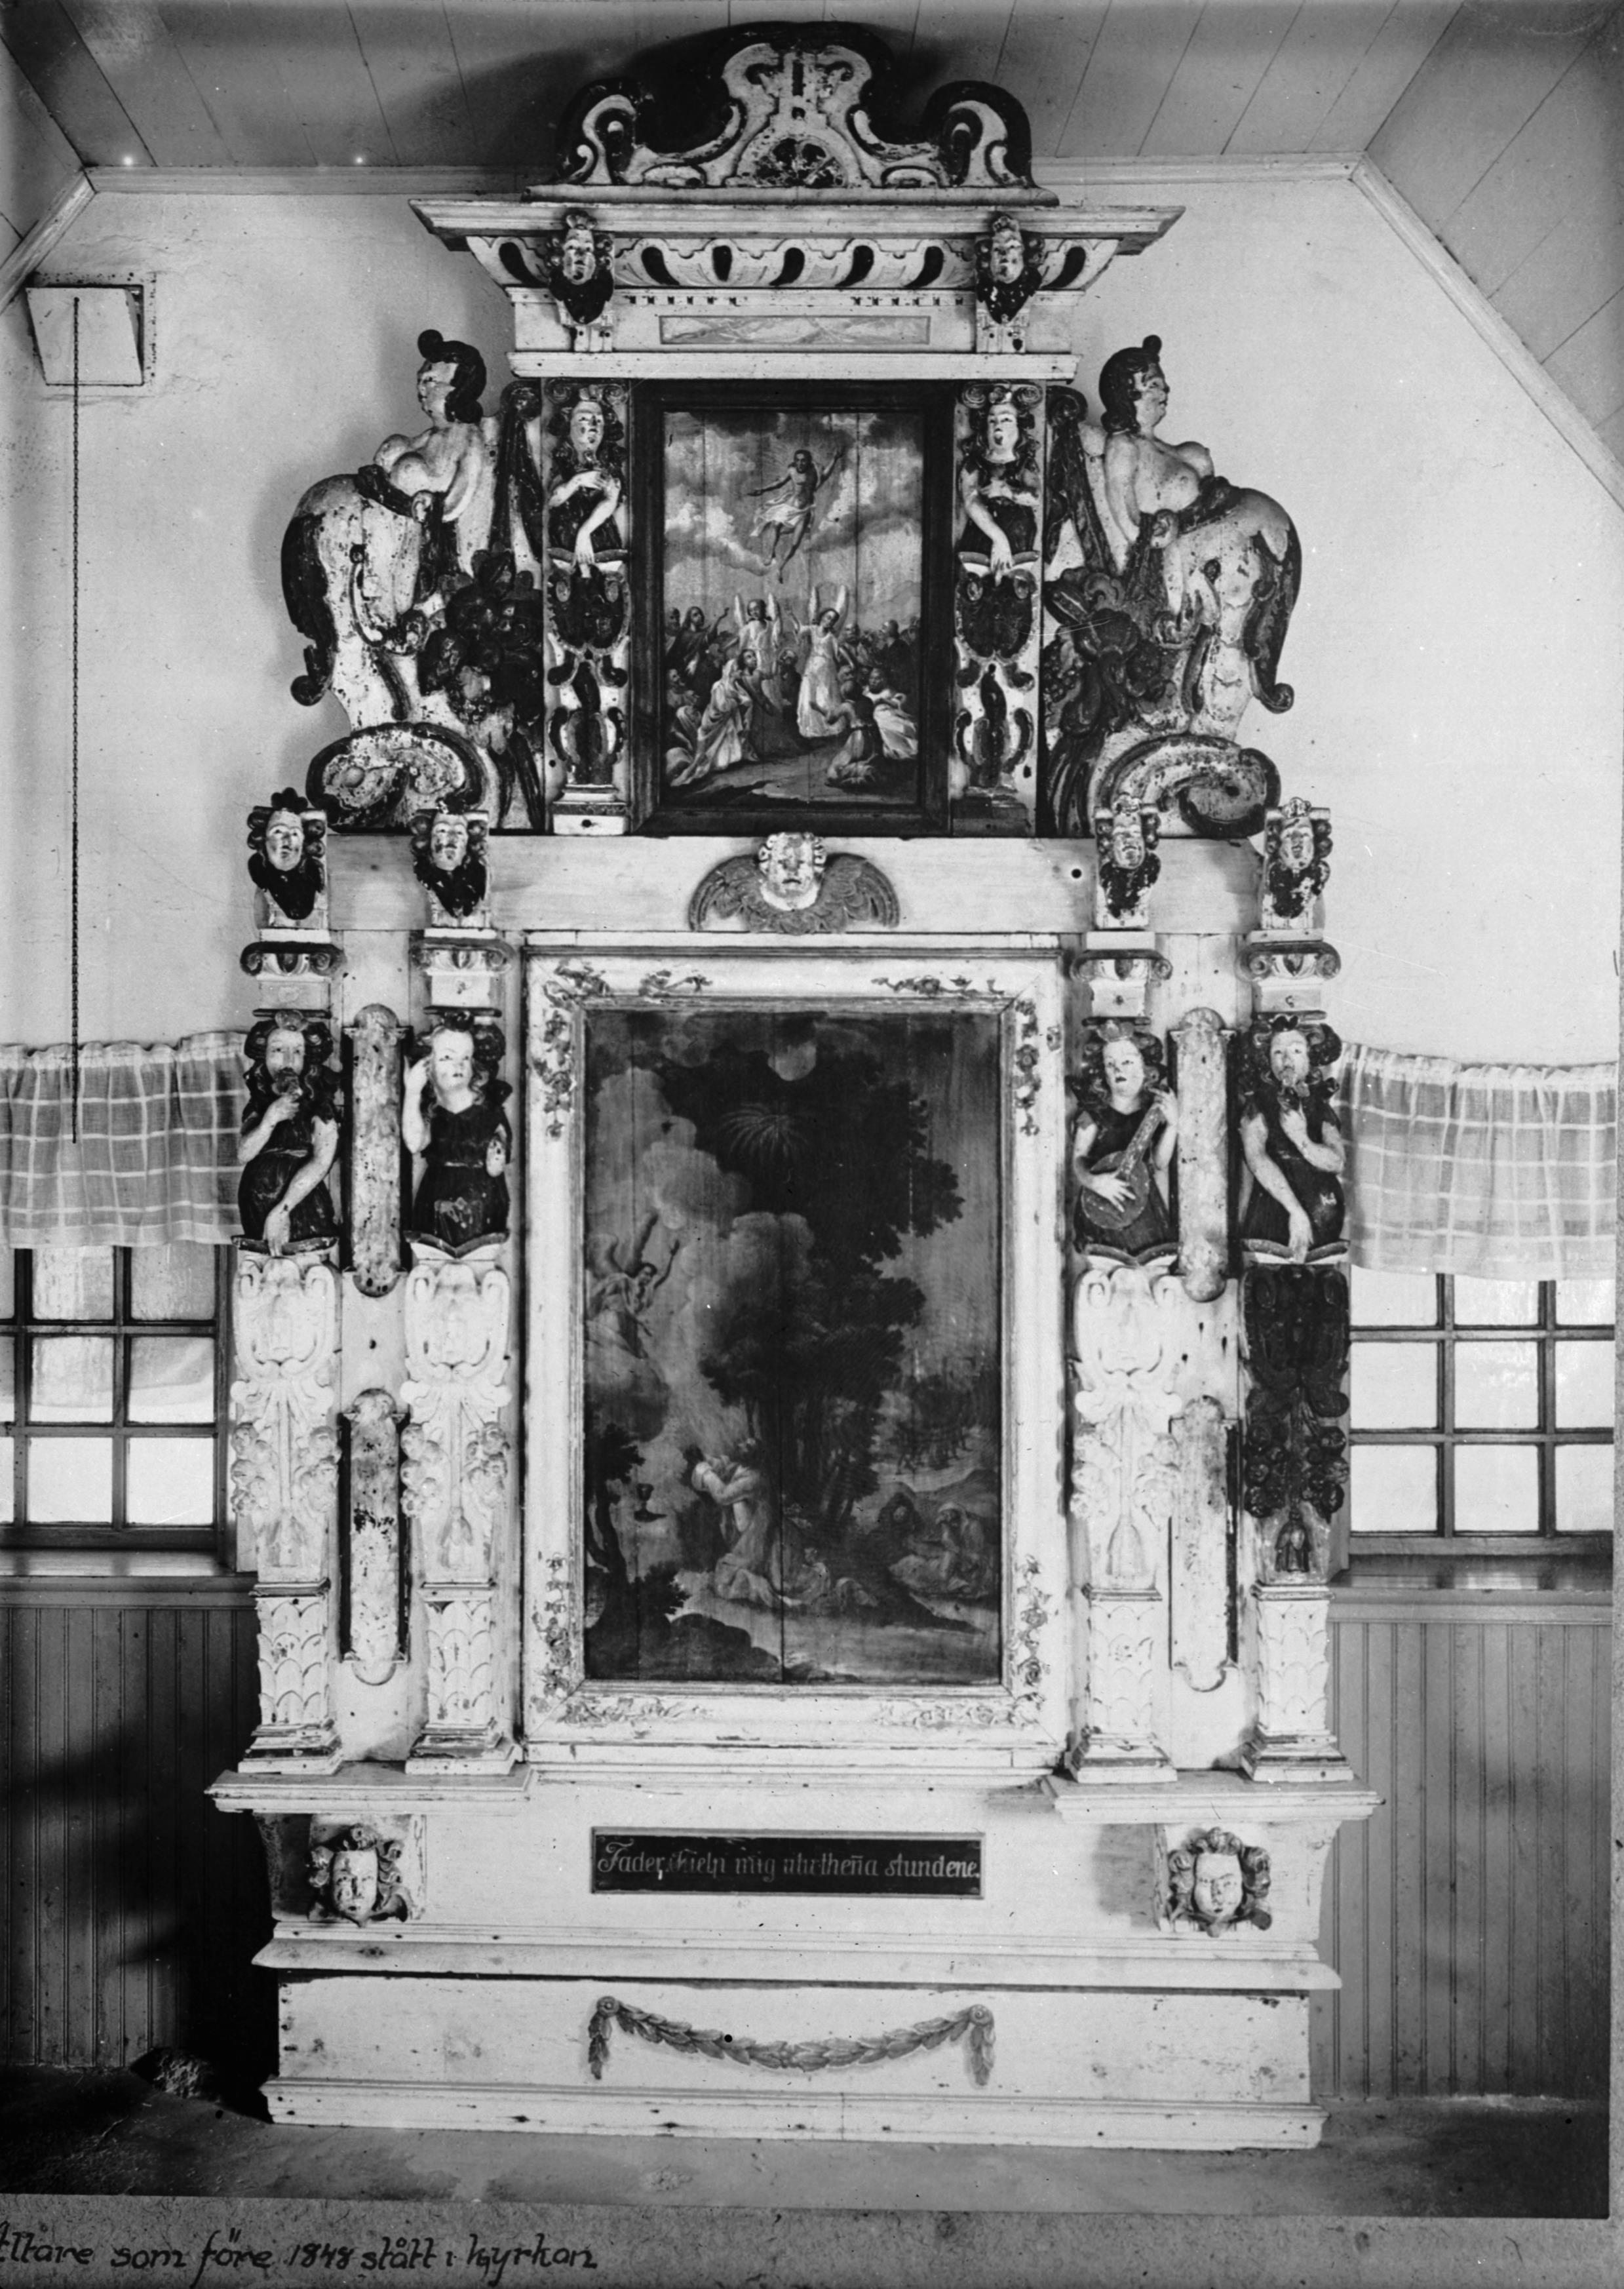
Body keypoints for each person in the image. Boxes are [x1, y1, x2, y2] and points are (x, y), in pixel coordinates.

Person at [372, 330, 496, 581]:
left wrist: (435, 507)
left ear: (459, 390)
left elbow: (464, 489)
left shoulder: (468, 437)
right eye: (420, 380)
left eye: (431, 381)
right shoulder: (428, 436)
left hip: (423, 539)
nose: (421, 388)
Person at [1239, 1021, 1345, 1262]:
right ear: (1267, 1060)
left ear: (1309, 1058)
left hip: (1325, 1225)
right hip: (1277, 1215)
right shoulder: (1259, 1104)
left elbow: (1337, 1162)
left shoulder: (1319, 1105)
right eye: (1278, 1052)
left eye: (1297, 1051)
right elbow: (1256, 1159)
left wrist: (1301, 1138)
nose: (1287, 1060)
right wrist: (1295, 1211)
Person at [402, 1019, 511, 1251]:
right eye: (447, 1058)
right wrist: (412, 1092)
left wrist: (498, 1152)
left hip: (480, 1199)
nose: (458, 1065)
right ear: (427, 1066)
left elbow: (497, 1162)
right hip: (437, 1198)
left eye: (466, 1058)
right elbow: (414, 1143)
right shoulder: (431, 1110)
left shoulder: (488, 1109)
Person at [237, 1017, 341, 1255]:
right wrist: (270, 1118)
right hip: (256, 1205)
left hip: (298, 1206)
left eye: (297, 1051)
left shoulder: (318, 1106)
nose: (288, 1060)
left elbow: (321, 1162)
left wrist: (283, 1210)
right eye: (277, 1050)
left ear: (307, 1059)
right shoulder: (260, 1105)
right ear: (263, 1056)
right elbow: (244, 1154)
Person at [1072, 1027, 1178, 1258]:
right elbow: (1079, 1159)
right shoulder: (1094, 1114)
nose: (1118, 1070)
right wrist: (1094, 1182)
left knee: (1149, 1260)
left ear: (1146, 1068)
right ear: (1103, 1072)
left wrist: (1172, 1125)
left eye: (1127, 1062)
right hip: (1102, 1205)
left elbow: (1160, 1162)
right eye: (1110, 1064)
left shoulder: (1152, 1114)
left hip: (1142, 1203)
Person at [958, 389, 1040, 574]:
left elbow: (1035, 497)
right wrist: (999, 539)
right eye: (992, 421)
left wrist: (1004, 490)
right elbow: (971, 501)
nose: (998, 426)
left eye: (1006, 420)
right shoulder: (975, 464)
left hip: (1020, 539)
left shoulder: (1025, 463)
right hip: (984, 535)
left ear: (1019, 426)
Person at [746, 442, 843, 576]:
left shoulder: (814, 472)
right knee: (776, 524)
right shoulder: (792, 471)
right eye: (797, 460)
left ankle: (781, 567)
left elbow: (825, 476)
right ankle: (771, 554)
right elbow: (779, 483)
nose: (800, 463)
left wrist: (835, 459)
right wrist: (762, 490)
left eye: (803, 461)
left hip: (804, 511)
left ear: (809, 462)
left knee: (795, 544)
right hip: (789, 506)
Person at [794, 587, 849, 741]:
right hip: (812, 667)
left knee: (825, 696)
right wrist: (792, 618)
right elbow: (800, 631)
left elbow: (838, 652)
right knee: (809, 695)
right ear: (822, 616)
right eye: (827, 617)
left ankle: (827, 728)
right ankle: (812, 728)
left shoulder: (831, 637)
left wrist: (849, 661)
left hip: (826, 669)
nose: (829, 621)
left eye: (832, 620)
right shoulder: (813, 629)